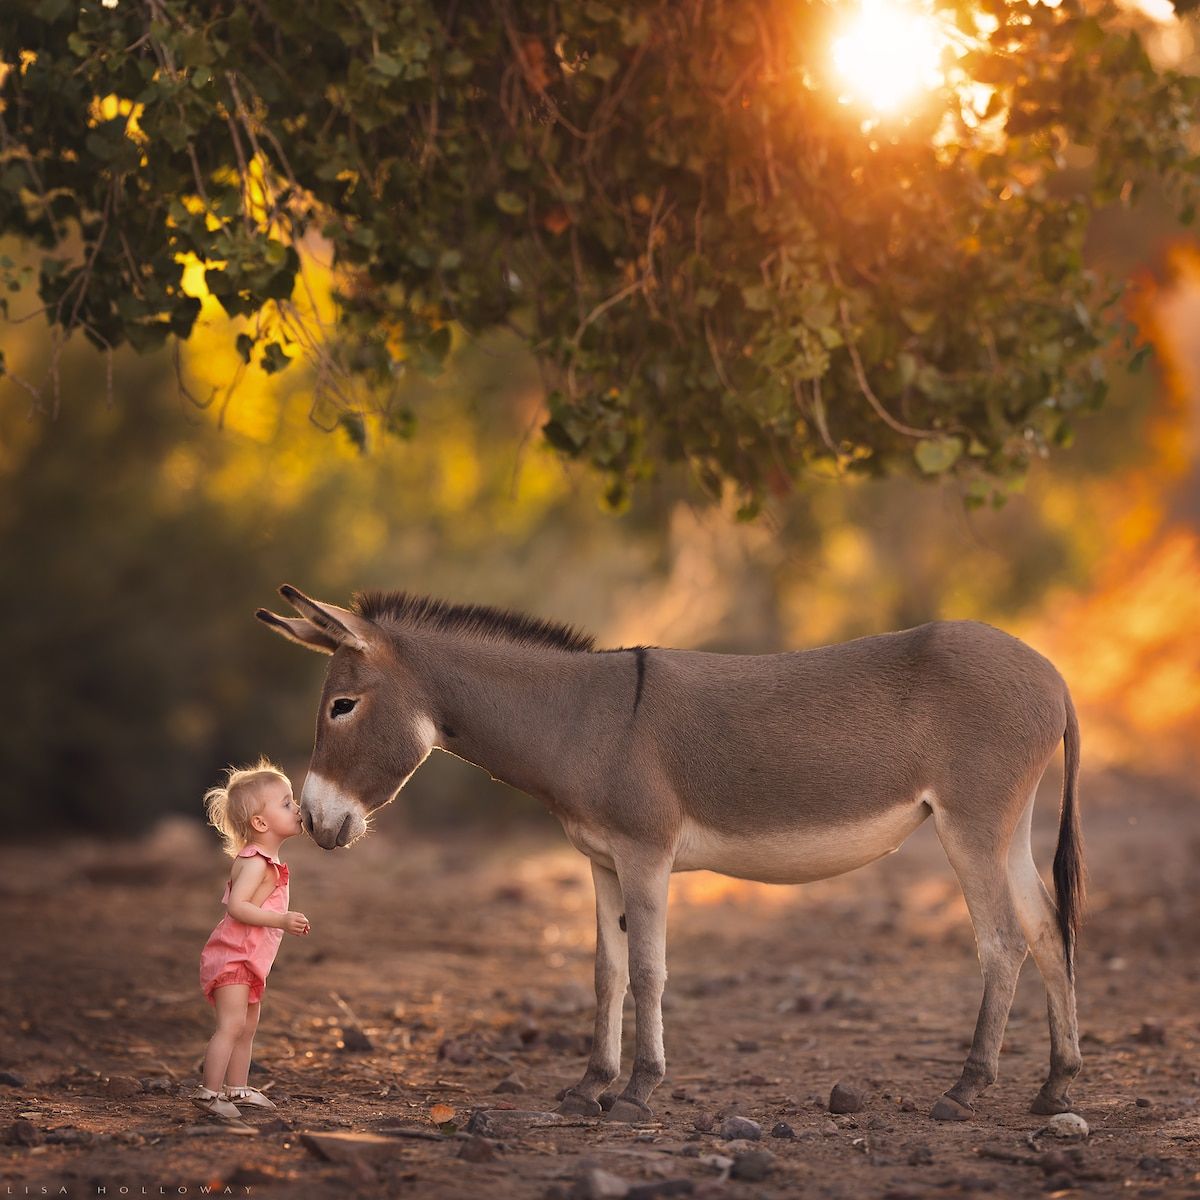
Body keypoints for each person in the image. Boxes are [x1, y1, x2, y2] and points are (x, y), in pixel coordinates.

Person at [192, 758, 310, 1120]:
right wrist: (281, 919)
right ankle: (209, 1093)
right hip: (232, 957)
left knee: (247, 1026)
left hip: (249, 960)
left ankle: (237, 1088)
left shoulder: (268, 861)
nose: (297, 808)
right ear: (260, 823)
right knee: (230, 1026)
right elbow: (238, 908)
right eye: (287, 803)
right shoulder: (255, 862)